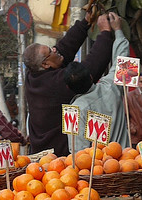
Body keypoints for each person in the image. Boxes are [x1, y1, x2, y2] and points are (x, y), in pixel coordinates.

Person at [24, 12, 114, 156]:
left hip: (43, 151)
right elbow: (89, 69)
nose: (55, 49)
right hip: (58, 158)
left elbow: (64, 48)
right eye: (50, 51)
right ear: (45, 64)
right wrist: (105, 33)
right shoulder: (54, 84)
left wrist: (84, 23)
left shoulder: (33, 75)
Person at [64, 12, 129, 151]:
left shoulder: (75, 110)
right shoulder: (111, 87)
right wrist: (118, 30)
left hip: (98, 164)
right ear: (91, 77)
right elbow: (123, 58)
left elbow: (77, 152)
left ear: (68, 88)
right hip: (127, 159)